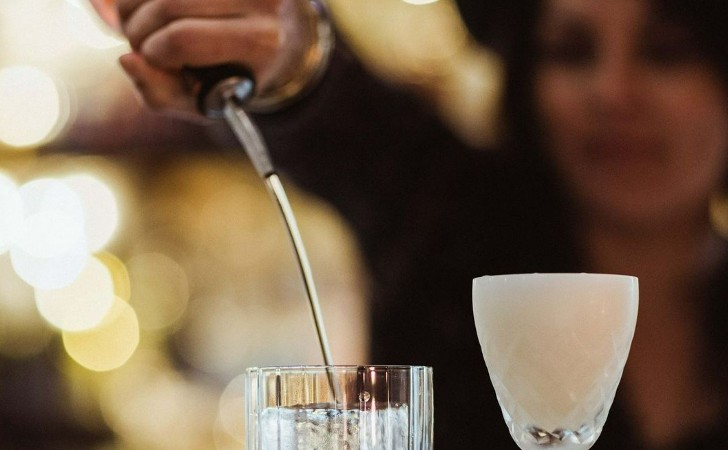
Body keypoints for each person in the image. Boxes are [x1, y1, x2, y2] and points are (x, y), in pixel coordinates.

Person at [116, 0, 728, 448]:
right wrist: (288, 55)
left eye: (667, 51)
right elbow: (344, 117)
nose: (613, 92)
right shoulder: (446, 219)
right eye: (570, 52)